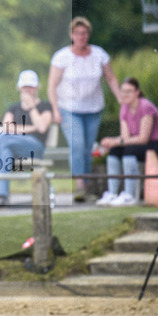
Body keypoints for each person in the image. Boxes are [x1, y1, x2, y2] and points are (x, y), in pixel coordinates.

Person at [47, 17, 120, 202]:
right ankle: (80, 185)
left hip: (93, 108)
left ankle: (87, 185)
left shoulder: (99, 55)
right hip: (69, 108)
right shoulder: (62, 57)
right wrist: (55, 109)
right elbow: (52, 85)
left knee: (88, 149)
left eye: (85, 33)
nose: (82, 36)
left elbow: (110, 78)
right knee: (77, 145)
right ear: (72, 35)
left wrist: (121, 98)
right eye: (78, 33)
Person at [0, 70, 53, 206]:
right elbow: (7, 127)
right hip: (11, 147)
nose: (28, 90)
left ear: (37, 87)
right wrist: (31, 128)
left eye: (31, 87)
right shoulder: (14, 107)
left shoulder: (45, 106)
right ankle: (2, 196)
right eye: (25, 87)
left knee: (1, 138)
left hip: (34, 147)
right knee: (5, 151)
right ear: (19, 88)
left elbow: (42, 127)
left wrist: (31, 108)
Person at [97, 77, 158, 206]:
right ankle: (112, 193)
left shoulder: (145, 106)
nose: (125, 94)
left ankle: (129, 194)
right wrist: (112, 142)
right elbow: (125, 137)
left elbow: (143, 138)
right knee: (115, 151)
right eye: (123, 91)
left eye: (129, 91)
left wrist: (115, 141)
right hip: (143, 145)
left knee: (129, 151)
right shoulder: (124, 108)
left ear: (137, 92)